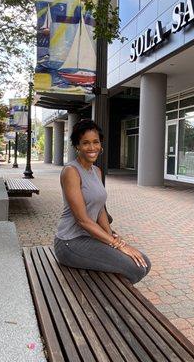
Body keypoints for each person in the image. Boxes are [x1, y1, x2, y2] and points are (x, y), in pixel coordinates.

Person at [54, 119, 151, 284]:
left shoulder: (96, 171)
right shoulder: (71, 172)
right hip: (70, 242)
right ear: (77, 146)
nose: (92, 148)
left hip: (89, 237)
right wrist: (117, 245)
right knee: (136, 267)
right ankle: (109, 297)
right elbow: (82, 220)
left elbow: (100, 210)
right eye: (85, 143)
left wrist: (111, 235)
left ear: (101, 145)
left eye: (95, 142)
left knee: (144, 262)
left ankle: (108, 290)